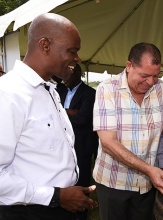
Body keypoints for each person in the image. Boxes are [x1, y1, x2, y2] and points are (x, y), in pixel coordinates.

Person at [0, 13, 98, 220]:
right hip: (31, 211)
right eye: (72, 51)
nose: (77, 59)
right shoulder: (8, 94)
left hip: (60, 205)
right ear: (45, 45)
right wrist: (55, 196)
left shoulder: (50, 90)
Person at [92, 42, 163, 220]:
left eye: (155, 76)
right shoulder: (107, 89)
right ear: (129, 66)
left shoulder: (162, 89)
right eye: (144, 75)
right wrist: (149, 170)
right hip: (114, 182)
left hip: (146, 184)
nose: (150, 82)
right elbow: (108, 142)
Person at [58, 63, 98, 220]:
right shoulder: (58, 90)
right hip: (62, 146)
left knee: (81, 184)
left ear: (77, 74)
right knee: (64, 182)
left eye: (67, 74)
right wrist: (71, 112)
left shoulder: (90, 93)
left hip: (81, 147)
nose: (64, 78)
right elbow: (52, 112)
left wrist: (61, 112)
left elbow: (82, 119)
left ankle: (80, 215)